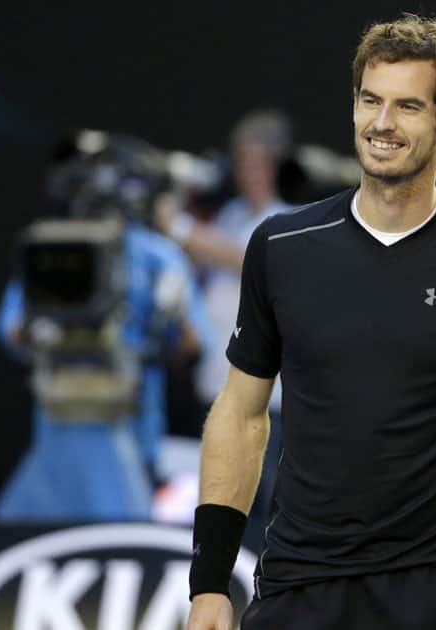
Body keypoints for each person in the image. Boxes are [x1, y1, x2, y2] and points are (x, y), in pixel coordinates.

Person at [186, 14, 436, 630]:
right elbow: (241, 413)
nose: (382, 124)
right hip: (296, 589)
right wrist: (209, 586)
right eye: (370, 100)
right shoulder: (282, 246)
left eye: (407, 106)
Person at [0, 137, 214, 521]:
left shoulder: (158, 257)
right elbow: (11, 331)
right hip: (59, 423)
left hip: (129, 420)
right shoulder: (54, 248)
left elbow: (194, 349)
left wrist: (171, 316)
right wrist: (51, 327)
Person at [157, 109, 293, 529]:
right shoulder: (230, 216)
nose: (249, 173)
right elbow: (191, 262)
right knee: (217, 500)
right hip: (217, 386)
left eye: (259, 163)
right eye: (243, 162)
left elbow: (243, 257)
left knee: (264, 503)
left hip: (266, 399)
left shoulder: (288, 218)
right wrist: (180, 193)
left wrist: (177, 226)